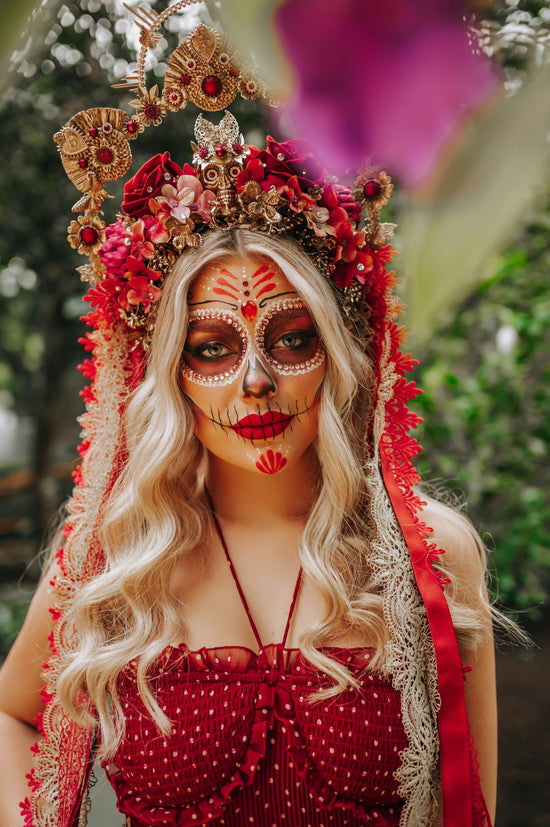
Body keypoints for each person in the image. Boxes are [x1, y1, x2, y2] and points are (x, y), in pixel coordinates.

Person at [0, 19, 497, 827]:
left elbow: (473, 807)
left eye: (292, 338)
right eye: (212, 347)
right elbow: (14, 712)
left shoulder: (434, 555)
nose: (257, 379)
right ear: (170, 373)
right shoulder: (112, 560)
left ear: (338, 352)